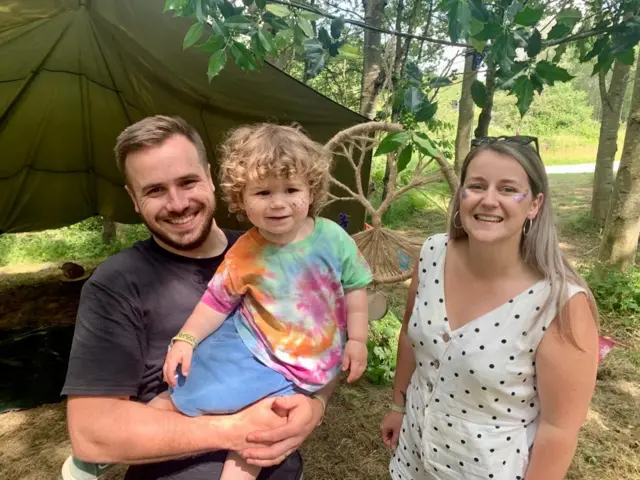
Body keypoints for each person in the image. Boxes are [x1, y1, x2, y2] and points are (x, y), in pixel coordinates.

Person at [61, 115, 333, 480]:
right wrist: (236, 429)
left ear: (209, 177)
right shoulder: (116, 285)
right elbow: (92, 435)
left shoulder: (273, 252)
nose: (177, 203)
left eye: (188, 182)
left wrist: (316, 404)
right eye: (155, 190)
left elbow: (321, 340)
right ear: (134, 199)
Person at [147, 122, 372, 480]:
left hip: (308, 363)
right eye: (263, 192)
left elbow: (355, 288)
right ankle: (114, 446)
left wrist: (358, 339)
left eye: (291, 189)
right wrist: (186, 338)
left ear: (311, 191)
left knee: (263, 433)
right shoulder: (245, 253)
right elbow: (215, 302)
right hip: (252, 351)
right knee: (183, 392)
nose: (279, 203)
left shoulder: (334, 238)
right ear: (240, 199)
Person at [381, 138, 599, 479]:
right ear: (461, 195)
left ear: (534, 205)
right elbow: (411, 337)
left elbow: (559, 430)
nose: (489, 200)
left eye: (508, 188)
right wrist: (398, 405)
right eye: (477, 186)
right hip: (413, 458)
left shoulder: (559, 305)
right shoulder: (433, 254)